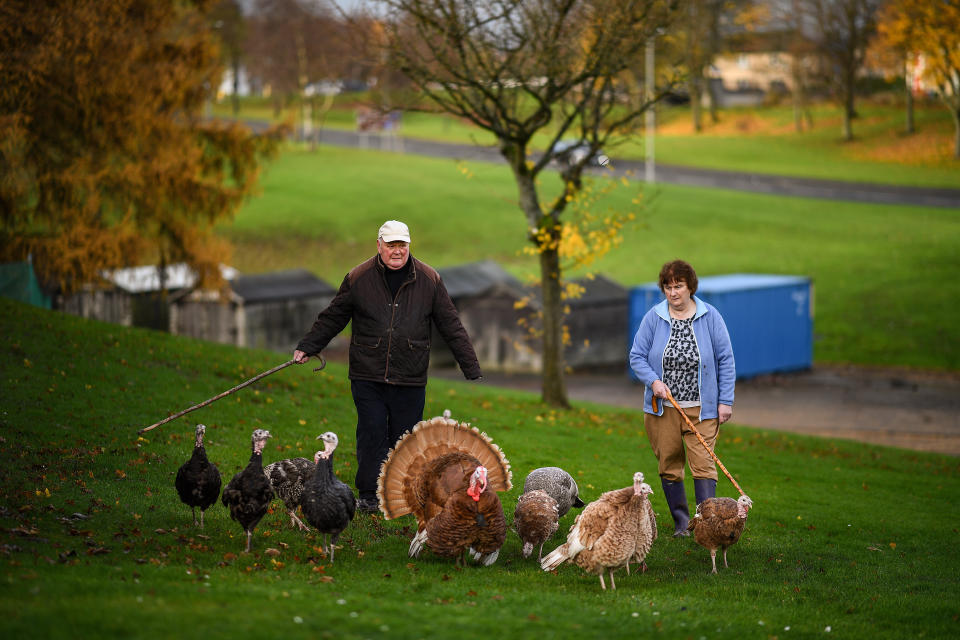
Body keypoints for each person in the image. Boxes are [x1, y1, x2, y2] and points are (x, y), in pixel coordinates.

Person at [293, 220, 482, 513]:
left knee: (404, 439)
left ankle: (400, 496)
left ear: (409, 245)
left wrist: (470, 365)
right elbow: (334, 316)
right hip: (367, 373)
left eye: (402, 245)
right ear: (379, 245)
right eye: (391, 245)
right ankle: (369, 496)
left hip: (410, 375)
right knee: (371, 433)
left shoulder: (429, 279)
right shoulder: (358, 277)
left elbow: (451, 324)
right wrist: (309, 345)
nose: (397, 251)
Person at [628, 259, 735, 536]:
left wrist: (726, 401)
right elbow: (637, 356)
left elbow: (725, 359)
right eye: (668, 287)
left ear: (690, 287)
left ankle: (706, 524)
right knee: (670, 464)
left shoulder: (711, 316)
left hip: (703, 410)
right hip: (663, 409)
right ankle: (681, 524)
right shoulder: (654, 317)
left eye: (679, 286)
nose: (673, 292)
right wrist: (654, 381)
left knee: (704, 464)